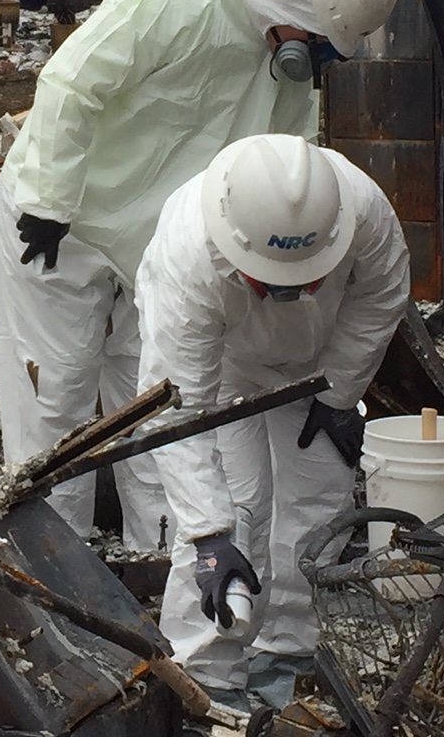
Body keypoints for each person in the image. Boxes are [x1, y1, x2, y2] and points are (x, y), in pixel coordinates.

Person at [0, 0, 399, 550]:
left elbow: (278, 175)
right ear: (301, 18)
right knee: (54, 405)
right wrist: (48, 200)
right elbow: (73, 82)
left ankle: (162, 566)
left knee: (156, 407)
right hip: (58, 228)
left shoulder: (286, 80)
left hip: (152, 248)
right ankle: (57, 584)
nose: (316, 67)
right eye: (320, 51)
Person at [135, 134, 409, 710]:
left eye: (303, 277)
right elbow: (178, 410)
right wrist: (208, 534)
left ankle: (290, 649)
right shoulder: (187, 257)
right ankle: (204, 672)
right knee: (240, 509)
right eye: (273, 281)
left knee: (319, 498)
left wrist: (340, 390)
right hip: (224, 368)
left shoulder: (360, 207)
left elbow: (381, 296)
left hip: (318, 365)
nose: (288, 292)